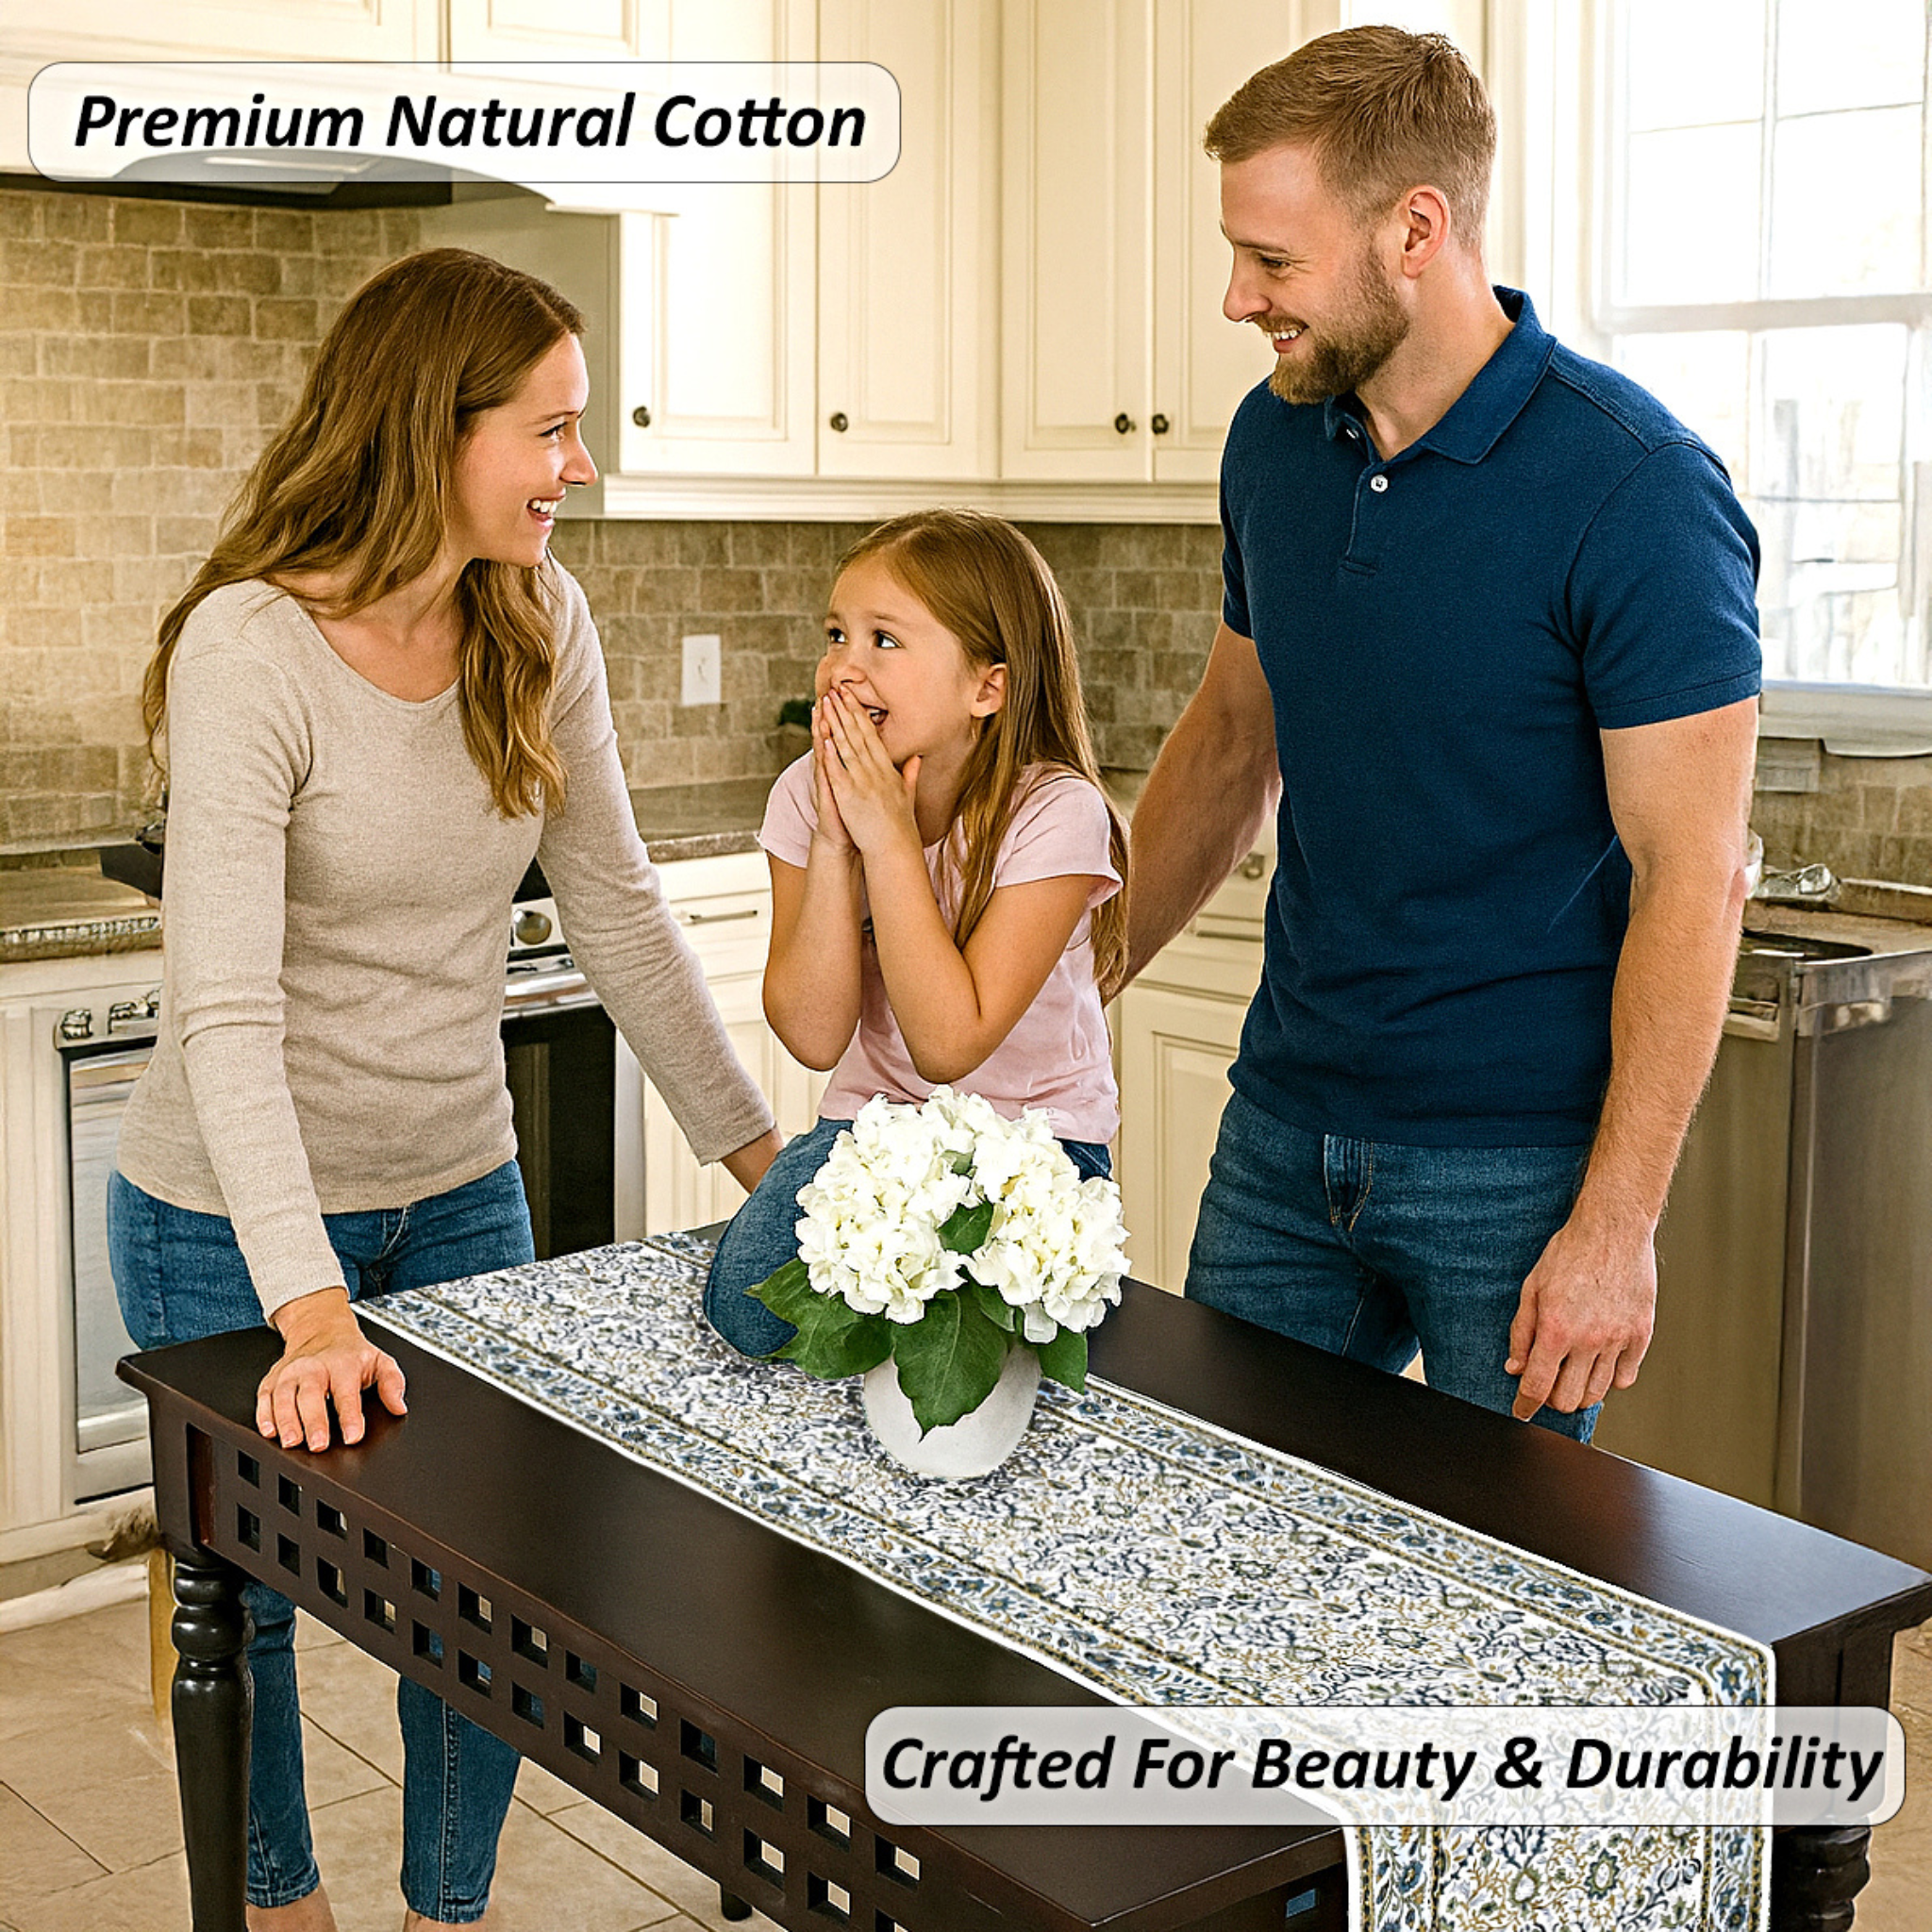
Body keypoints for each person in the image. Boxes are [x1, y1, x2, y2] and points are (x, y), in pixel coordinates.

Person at [108, 248, 781, 1932]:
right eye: (549, 429)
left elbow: (618, 912)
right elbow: (224, 1007)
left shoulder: (538, 621)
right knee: (246, 1600)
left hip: (459, 1182)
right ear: (434, 428)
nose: (581, 465)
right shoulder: (250, 648)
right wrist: (312, 1304)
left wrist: (769, 1159)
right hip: (227, 1219)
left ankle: (444, 1911)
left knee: (487, 1601)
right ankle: (278, 1905)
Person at [1127, 27, 1760, 1441]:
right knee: (1225, 1533)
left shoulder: (1634, 488)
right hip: (1285, 1130)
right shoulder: (1273, 444)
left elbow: (1695, 877)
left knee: (1499, 1601)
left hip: (1516, 1172)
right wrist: (1056, 986)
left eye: (1273, 262)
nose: (1238, 298)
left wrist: (1615, 1227)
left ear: (1417, 228)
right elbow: (1233, 742)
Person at [703, 510, 1127, 1349]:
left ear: (987, 688)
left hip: (1032, 1139)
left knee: (967, 1337)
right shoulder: (806, 794)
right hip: (875, 1124)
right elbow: (815, 1035)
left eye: (883, 641)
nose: (842, 669)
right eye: (836, 634)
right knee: (747, 1313)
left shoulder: (1055, 814)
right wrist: (834, 839)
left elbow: (947, 1045)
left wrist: (889, 840)